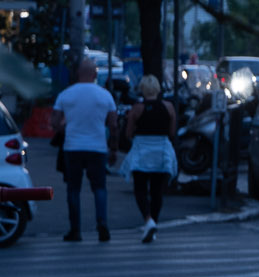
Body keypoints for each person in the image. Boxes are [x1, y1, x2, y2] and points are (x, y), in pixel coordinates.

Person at [53, 61, 117, 242]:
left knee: (73, 189)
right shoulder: (105, 96)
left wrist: (66, 128)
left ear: (77, 74)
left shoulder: (65, 95)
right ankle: (102, 223)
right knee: (99, 188)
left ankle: (75, 230)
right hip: (97, 148)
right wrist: (113, 149)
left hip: (72, 147)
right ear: (95, 75)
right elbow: (113, 125)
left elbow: (55, 123)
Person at [126, 75, 178, 242]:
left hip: (142, 151)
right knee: (157, 192)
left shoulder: (137, 108)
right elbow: (172, 132)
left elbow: (128, 133)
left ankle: (148, 220)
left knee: (140, 189)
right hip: (161, 151)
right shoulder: (169, 107)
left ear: (142, 89)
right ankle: (153, 224)